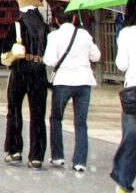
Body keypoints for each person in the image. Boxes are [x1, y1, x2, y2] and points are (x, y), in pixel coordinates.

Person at [43, 9, 101, 171]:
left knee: (56, 118)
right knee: (81, 122)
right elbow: (96, 56)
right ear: (75, 18)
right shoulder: (84, 35)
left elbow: (50, 60)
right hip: (84, 81)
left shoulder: (54, 36)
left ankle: (58, 156)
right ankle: (80, 161)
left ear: (56, 20)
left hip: (63, 81)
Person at [3, 0, 49, 170]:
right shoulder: (44, 27)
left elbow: (4, 51)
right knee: (38, 114)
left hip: (20, 70)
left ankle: (15, 150)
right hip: (39, 71)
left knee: (14, 109)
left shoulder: (17, 25)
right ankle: (36, 156)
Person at [112, 0, 136, 193]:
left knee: (131, 140)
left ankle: (123, 184)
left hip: (134, 92)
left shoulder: (127, 33)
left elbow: (121, 65)